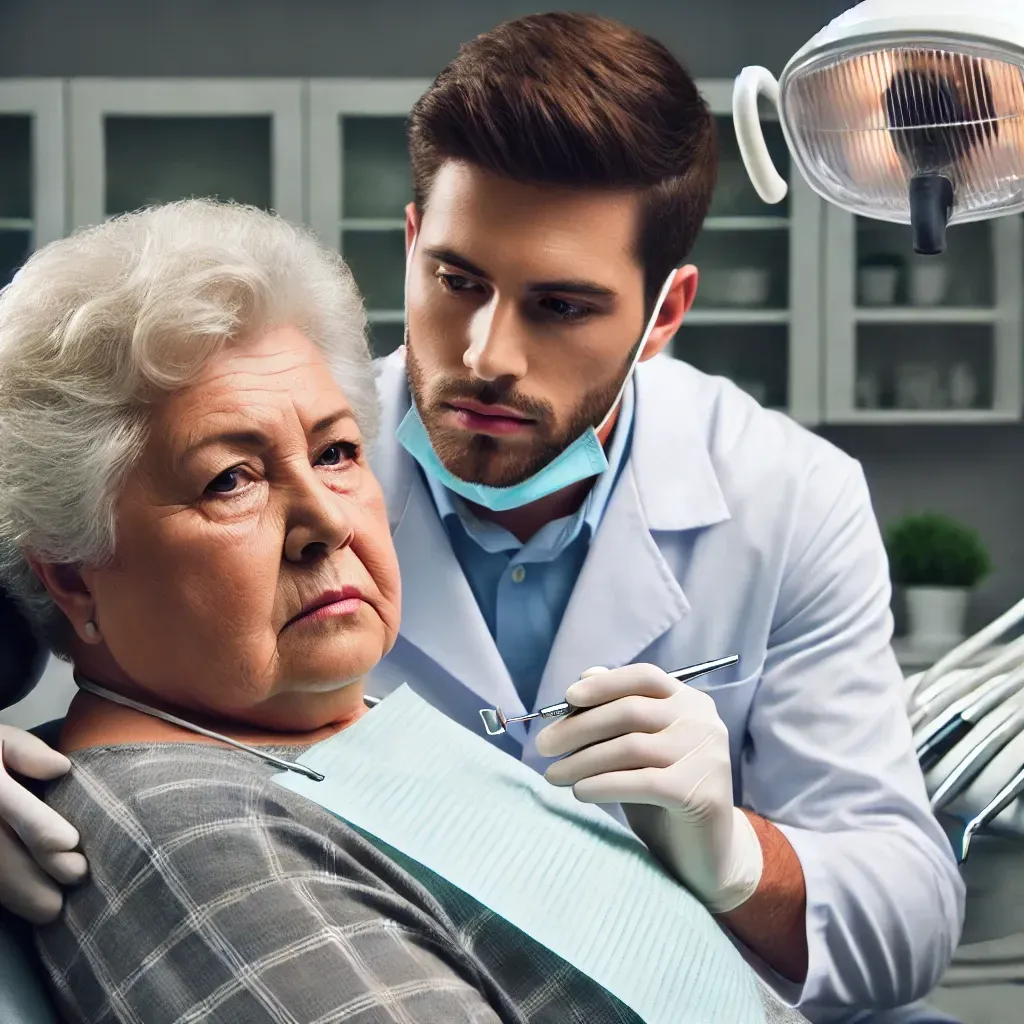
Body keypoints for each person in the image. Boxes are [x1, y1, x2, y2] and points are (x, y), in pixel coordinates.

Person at [0, 12, 963, 1022]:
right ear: (413, 243)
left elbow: (909, 902)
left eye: (560, 306)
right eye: (456, 281)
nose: (486, 354)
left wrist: (731, 856)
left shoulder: (784, 494)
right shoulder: (273, 413)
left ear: (662, 316)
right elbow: (41, 534)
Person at [0, 197, 808, 1024]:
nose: (329, 521)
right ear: (73, 577)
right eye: (230, 479)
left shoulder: (325, 729)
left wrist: (736, 864)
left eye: (337, 452)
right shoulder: (197, 837)